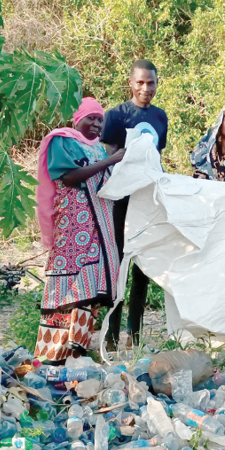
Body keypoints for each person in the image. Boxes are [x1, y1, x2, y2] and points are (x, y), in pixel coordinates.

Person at [34, 97, 124, 362]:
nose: (96, 123)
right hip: (72, 228)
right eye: (91, 117)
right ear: (78, 118)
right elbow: (69, 177)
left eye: (100, 119)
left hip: (97, 233)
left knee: (89, 289)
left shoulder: (99, 150)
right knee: (66, 285)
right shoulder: (61, 141)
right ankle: (53, 356)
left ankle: (76, 353)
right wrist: (111, 161)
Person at [101, 59, 168, 349]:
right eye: (140, 82)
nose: (145, 88)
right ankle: (112, 336)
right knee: (118, 266)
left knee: (142, 267)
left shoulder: (161, 117)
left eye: (150, 82)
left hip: (148, 200)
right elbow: (110, 159)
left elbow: (156, 158)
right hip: (121, 202)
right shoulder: (115, 116)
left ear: (156, 84)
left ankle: (135, 336)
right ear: (130, 82)